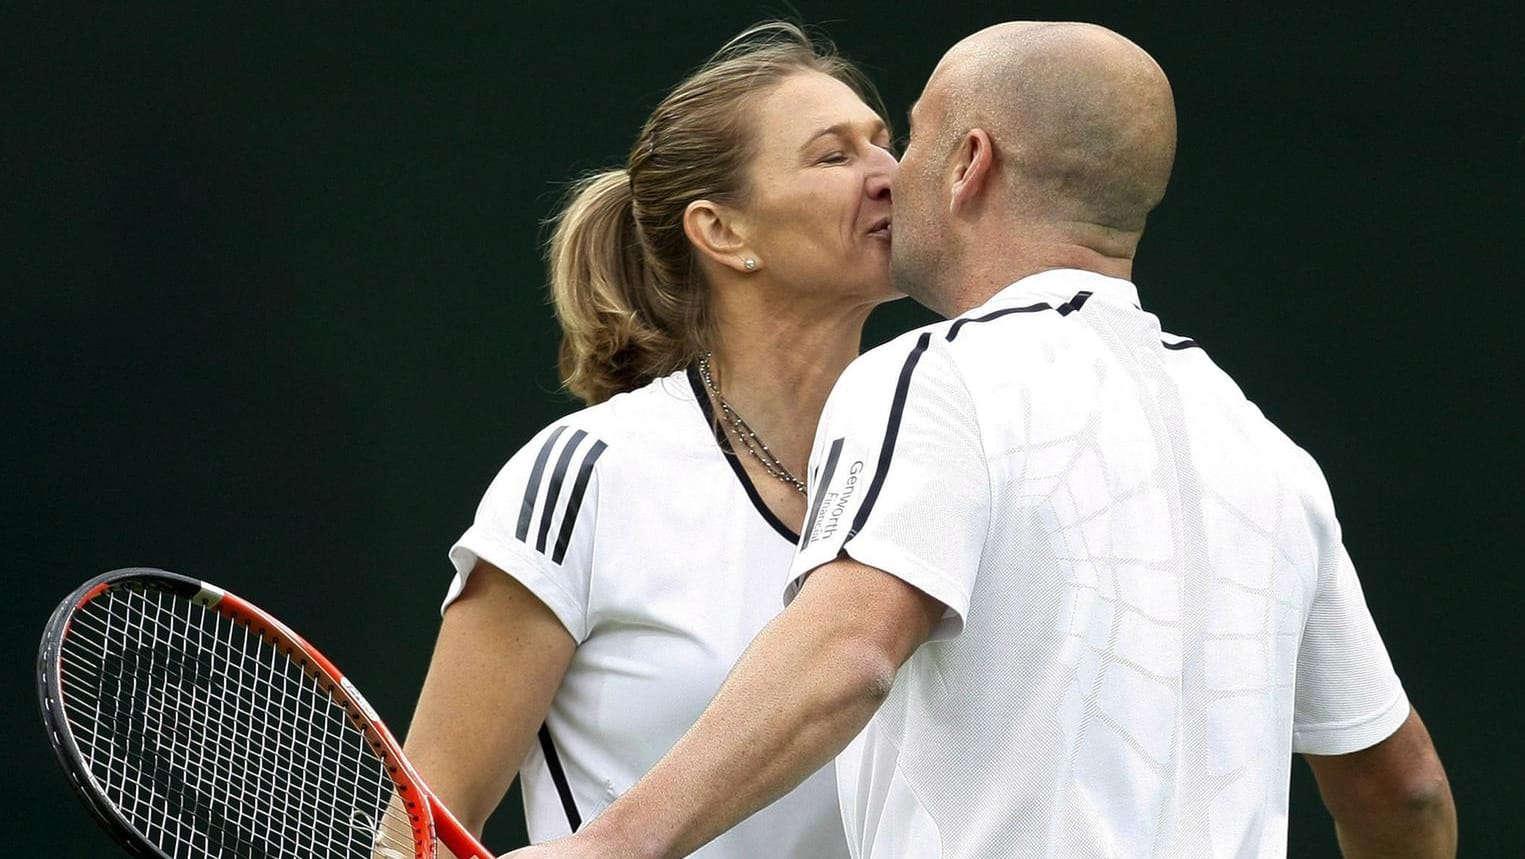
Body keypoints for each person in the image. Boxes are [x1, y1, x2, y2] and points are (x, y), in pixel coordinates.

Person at [506, 21, 1457, 859]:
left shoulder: (931, 373)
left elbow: (850, 652)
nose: (890, 173)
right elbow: (1403, 791)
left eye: (908, 138)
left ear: (968, 163)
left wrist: (615, 846)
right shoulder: (1268, 453)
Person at [401, 21, 898, 858]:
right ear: (723, 232)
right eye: (834, 155)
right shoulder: (588, 476)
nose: (892, 176)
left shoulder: (936, 462)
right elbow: (416, 831)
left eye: (885, 144)